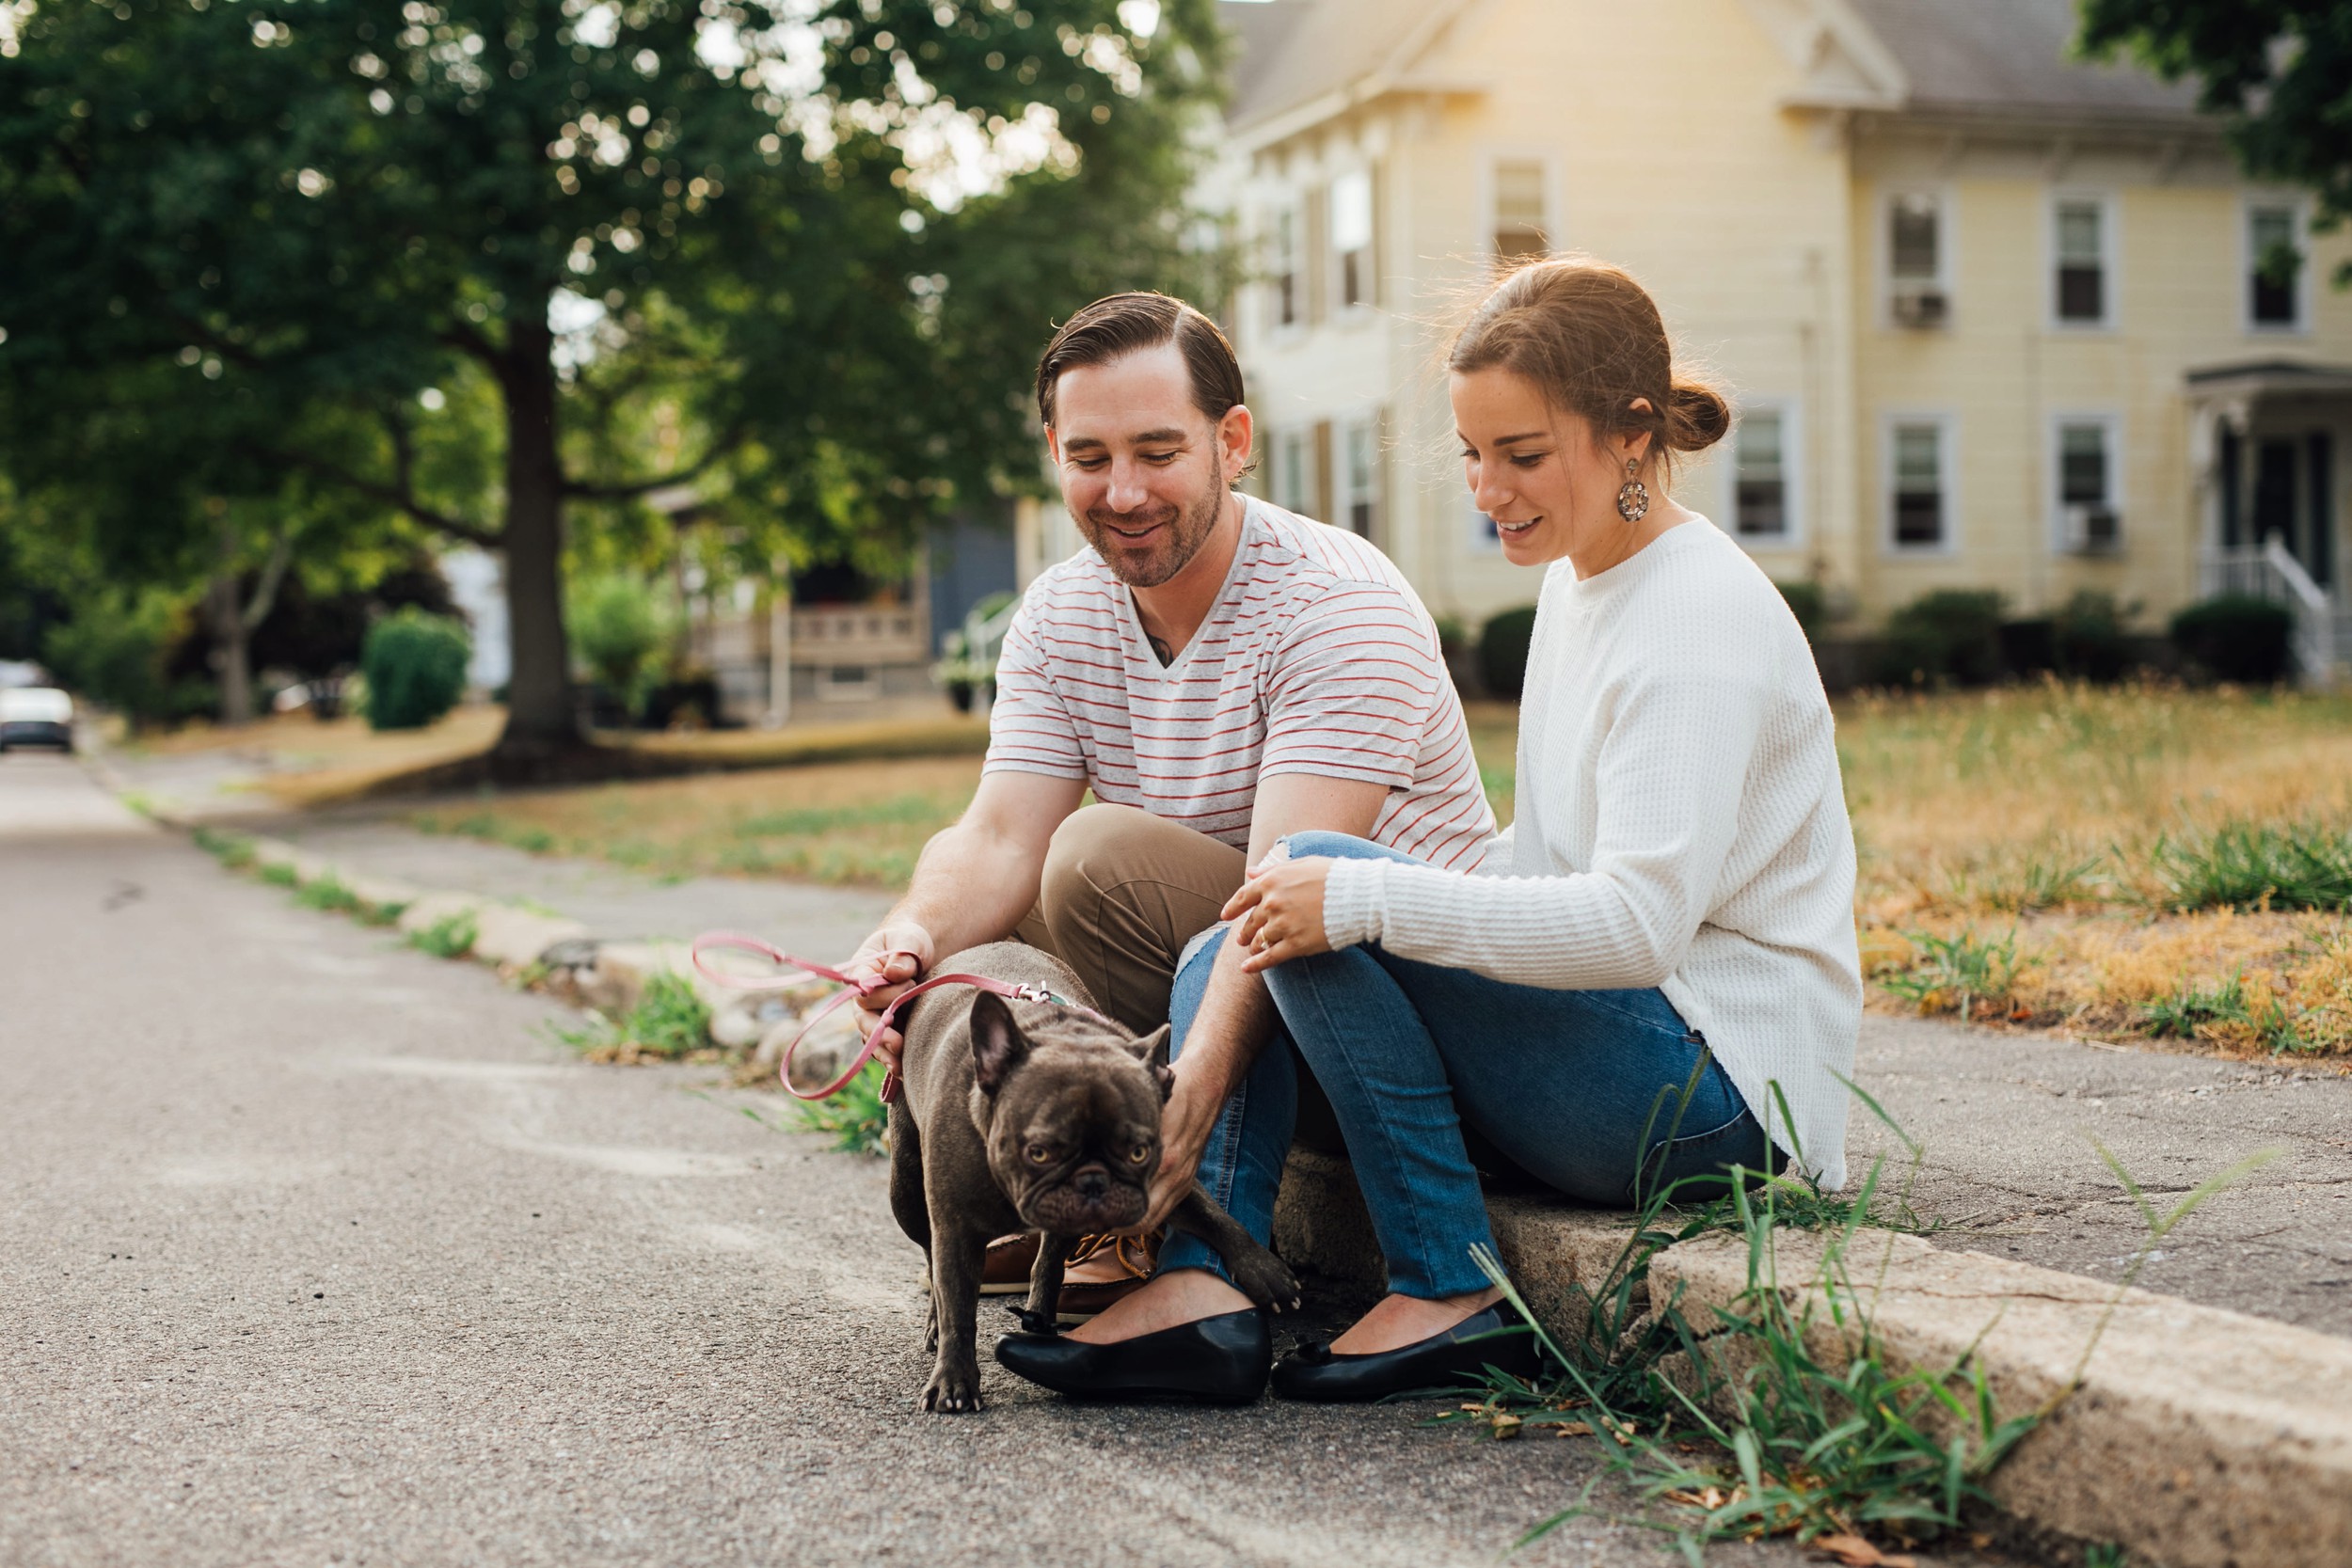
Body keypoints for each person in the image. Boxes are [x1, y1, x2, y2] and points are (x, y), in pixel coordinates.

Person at [1208, 256, 1863, 1402]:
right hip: (1640, 1053)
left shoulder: (1692, 619)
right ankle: (1197, 1261)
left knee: (1313, 880)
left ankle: (1447, 1281)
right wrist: (1375, 889)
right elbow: (1550, 861)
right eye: (1471, 451)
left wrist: (1369, 896)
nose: (1486, 486)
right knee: (1287, 899)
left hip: (1730, 1107)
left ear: (1629, 433)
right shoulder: (1582, 579)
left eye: (1521, 455)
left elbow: (1636, 925)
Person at [847, 292, 1493, 1402]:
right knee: (1029, 887)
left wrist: (1186, 1096)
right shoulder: (1060, 614)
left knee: (1092, 857)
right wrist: (909, 936)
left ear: (1231, 442)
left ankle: (1193, 1260)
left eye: (1159, 450)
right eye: (1089, 456)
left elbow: (1285, 895)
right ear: (1052, 452)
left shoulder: (1335, 605)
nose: (1124, 491)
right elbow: (998, 829)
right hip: (1248, 975)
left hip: (1406, 1030)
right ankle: (1100, 1196)